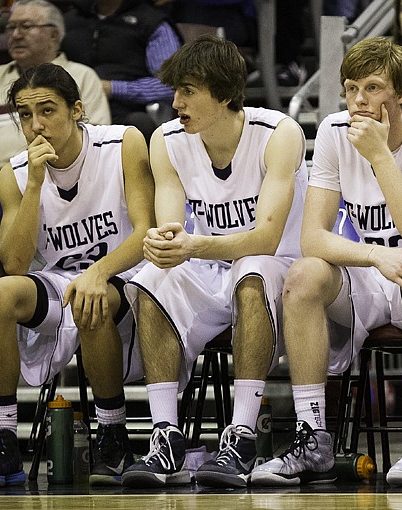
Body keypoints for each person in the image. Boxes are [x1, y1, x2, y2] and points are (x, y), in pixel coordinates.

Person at [250, 36, 402, 488]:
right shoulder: (337, 131)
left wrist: (379, 155)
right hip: (378, 269)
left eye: (373, 87)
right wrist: (377, 255)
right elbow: (313, 237)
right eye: (351, 87)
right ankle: (312, 435)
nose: (359, 99)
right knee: (303, 276)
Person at [120, 35, 307, 489]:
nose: (176, 102)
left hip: (281, 267)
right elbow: (172, 224)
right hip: (210, 265)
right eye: (175, 91)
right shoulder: (165, 140)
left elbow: (265, 236)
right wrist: (164, 243)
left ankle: (241, 435)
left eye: (188, 91)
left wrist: (192, 246)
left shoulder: (279, 133)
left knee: (252, 270)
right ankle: (166, 438)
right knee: (150, 278)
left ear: (223, 93)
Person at [0, 63, 155, 488]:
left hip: (130, 273)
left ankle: (113, 435)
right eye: (26, 115)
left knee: (94, 295)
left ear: (77, 109)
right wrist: (33, 184)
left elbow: (145, 231)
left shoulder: (123, 143)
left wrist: (98, 273)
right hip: (61, 281)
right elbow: (14, 263)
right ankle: (2, 441)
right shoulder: (13, 173)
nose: (36, 125)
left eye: (47, 111)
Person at [0, 0, 110, 178]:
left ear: (54, 35)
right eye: (11, 27)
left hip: (57, 177)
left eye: (26, 27)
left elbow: (95, 137)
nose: (15, 35)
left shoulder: (82, 75)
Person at [61, 0, 182, 142]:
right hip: (70, 107)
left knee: (139, 125)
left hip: (122, 112)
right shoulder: (69, 20)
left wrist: (114, 88)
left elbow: (171, 85)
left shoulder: (151, 22)